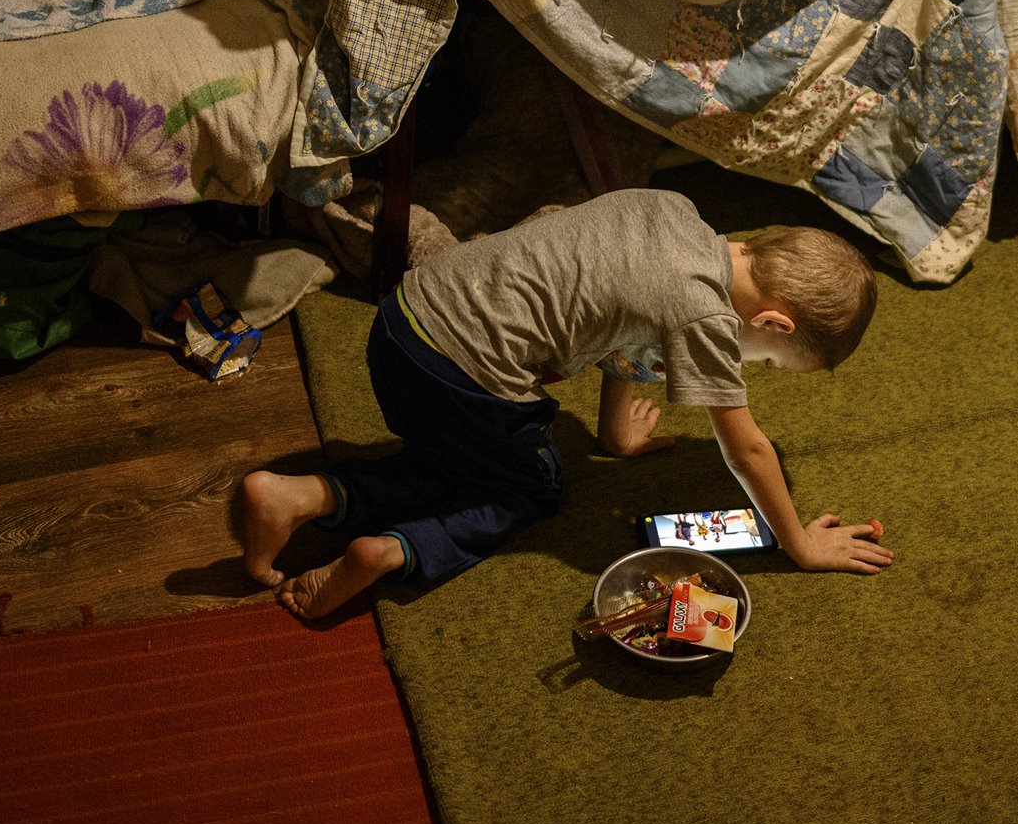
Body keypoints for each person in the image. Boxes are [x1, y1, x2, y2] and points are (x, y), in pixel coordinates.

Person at [240, 187, 894, 619]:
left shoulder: (674, 213)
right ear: (775, 325)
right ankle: (381, 543)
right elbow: (746, 447)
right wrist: (801, 544)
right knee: (529, 491)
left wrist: (618, 437)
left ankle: (299, 499)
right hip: (454, 373)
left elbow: (624, 333)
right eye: (771, 360)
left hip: (403, 319)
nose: (756, 364)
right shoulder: (704, 314)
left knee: (467, 456)